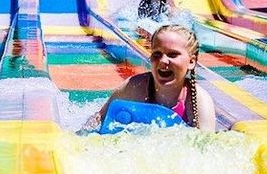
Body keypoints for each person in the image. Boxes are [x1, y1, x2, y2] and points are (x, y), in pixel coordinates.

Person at [82, 24, 215, 132]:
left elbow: (204, 150)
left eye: (173, 54)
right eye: (157, 54)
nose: (163, 61)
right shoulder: (135, 87)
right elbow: (98, 119)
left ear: (191, 61)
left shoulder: (198, 101)